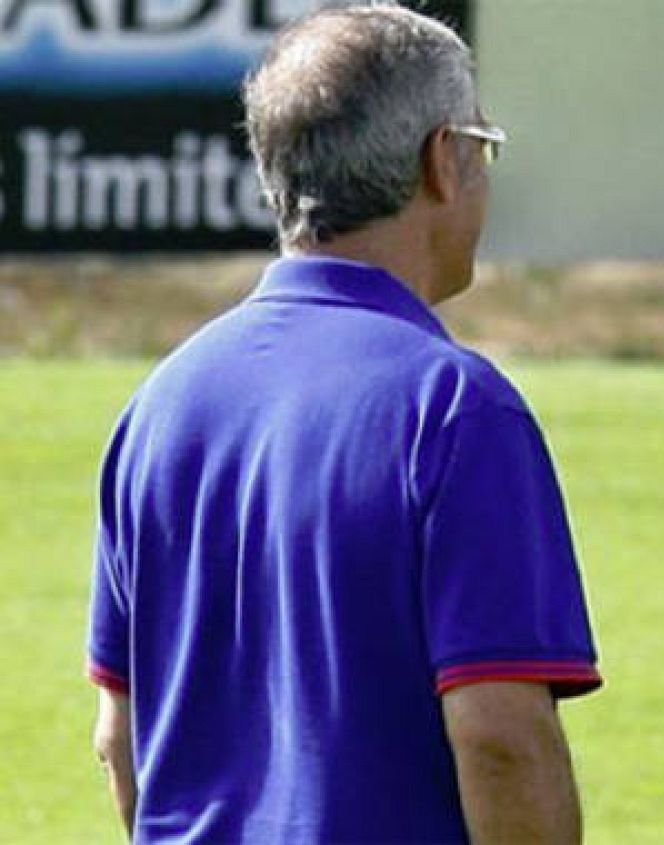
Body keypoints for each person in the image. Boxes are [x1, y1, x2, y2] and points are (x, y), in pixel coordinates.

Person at [85, 5, 600, 842]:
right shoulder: (455, 409)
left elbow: (122, 736)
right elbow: (500, 739)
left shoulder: (159, 405)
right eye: (482, 146)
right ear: (442, 160)